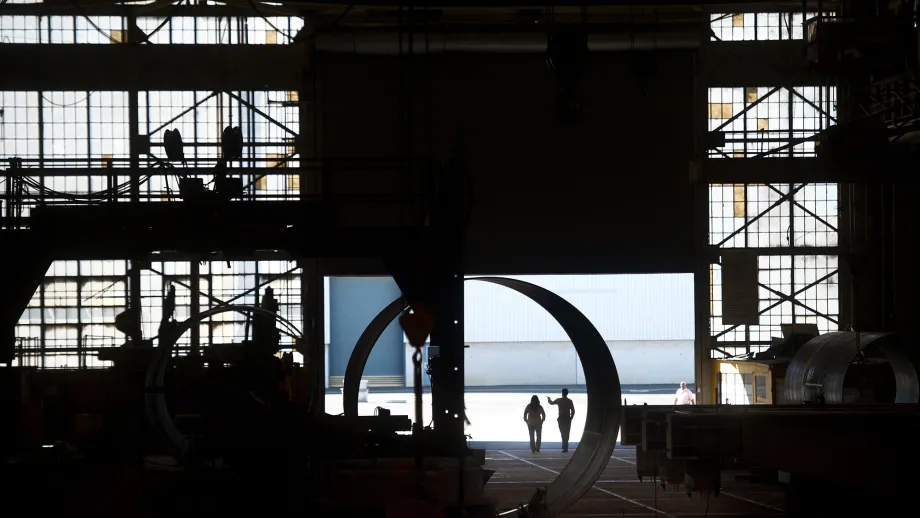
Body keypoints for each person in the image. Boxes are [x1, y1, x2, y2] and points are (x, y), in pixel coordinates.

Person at [547, 388, 575, 453]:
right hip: (567, 418)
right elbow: (573, 410)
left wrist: (548, 399)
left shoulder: (559, 400)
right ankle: (565, 446)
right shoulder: (570, 401)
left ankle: (564, 446)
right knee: (567, 432)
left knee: (562, 432)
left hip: (561, 418)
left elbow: (551, 403)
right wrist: (571, 417)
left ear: (562, 393)